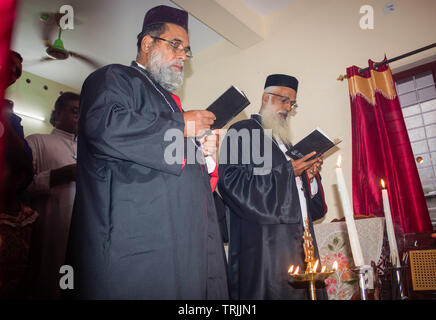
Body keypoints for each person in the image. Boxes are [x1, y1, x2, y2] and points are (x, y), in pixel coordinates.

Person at [65, 5, 228, 299]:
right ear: (147, 43)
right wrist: (181, 124)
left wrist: (205, 154)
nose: (182, 56)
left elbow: (187, 174)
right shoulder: (114, 78)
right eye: (175, 45)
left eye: (187, 50)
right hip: (136, 247)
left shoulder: (171, 103)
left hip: (184, 248)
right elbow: (105, 126)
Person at [218, 74, 328, 300]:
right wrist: (289, 172)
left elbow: (308, 207)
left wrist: (310, 176)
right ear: (266, 97)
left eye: (292, 103)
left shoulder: (286, 143)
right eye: (283, 100)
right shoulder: (243, 130)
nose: (288, 107)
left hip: (301, 245)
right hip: (265, 250)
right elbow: (231, 184)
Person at [25, 92, 79, 299]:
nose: (80, 117)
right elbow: (20, 187)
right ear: (57, 113)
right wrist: (58, 175)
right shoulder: (37, 142)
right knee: (47, 284)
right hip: (49, 230)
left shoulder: (90, 150)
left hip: (81, 233)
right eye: (74, 111)